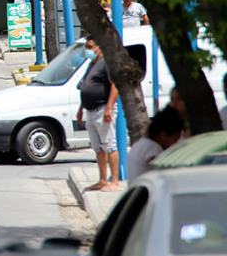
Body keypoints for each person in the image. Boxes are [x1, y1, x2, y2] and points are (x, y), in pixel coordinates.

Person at [77, 37, 121, 191]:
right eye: (86, 47)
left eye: (90, 46)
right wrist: (81, 108)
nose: (87, 50)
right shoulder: (92, 64)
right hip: (90, 111)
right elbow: (86, 86)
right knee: (98, 147)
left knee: (109, 144)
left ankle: (114, 181)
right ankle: (102, 180)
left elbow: (115, 85)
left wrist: (109, 107)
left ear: (99, 47)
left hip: (102, 109)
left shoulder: (105, 63)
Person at [126, 109, 184, 182]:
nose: (175, 144)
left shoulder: (141, 143)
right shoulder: (153, 147)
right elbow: (157, 172)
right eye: (175, 140)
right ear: (163, 135)